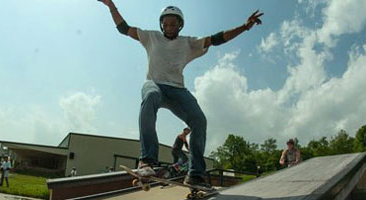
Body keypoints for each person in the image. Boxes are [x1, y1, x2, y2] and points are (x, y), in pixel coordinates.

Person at [98, 0, 263, 188]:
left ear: (180, 25)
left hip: (177, 90)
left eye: (173, 24)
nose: (169, 28)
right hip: (154, 84)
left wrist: (244, 27)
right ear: (161, 25)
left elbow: (217, 39)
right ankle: (147, 161)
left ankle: (195, 174)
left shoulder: (189, 43)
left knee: (199, 120)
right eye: (165, 24)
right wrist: (111, 5)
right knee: (150, 96)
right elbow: (124, 28)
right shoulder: (150, 37)